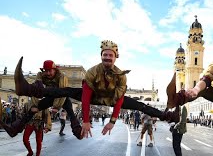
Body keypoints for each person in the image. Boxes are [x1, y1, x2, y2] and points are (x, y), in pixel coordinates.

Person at [13, 40, 180, 138]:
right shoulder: (93, 71)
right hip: (93, 96)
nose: (107, 57)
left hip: (111, 99)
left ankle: (169, 116)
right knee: (66, 91)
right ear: (101, 56)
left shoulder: (121, 75)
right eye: (105, 55)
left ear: (115, 57)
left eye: (110, 55)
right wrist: (85, 120)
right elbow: (85, 97)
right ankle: (26, 89)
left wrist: (112, 121)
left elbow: (120, 100)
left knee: (141, 106)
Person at [0, 60, 83, 140]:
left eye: (50, 71)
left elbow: (63, 92)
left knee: (70, 112)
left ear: (55, 70)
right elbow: (36, 91)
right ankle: (14, 130)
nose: (48, 73)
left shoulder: (61, 77)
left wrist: (57, 107)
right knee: (31, 111)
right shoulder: (41, 75)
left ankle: (78, 132)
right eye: (46, 71)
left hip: (63, 97)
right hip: (50, 96)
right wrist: (35, 105)